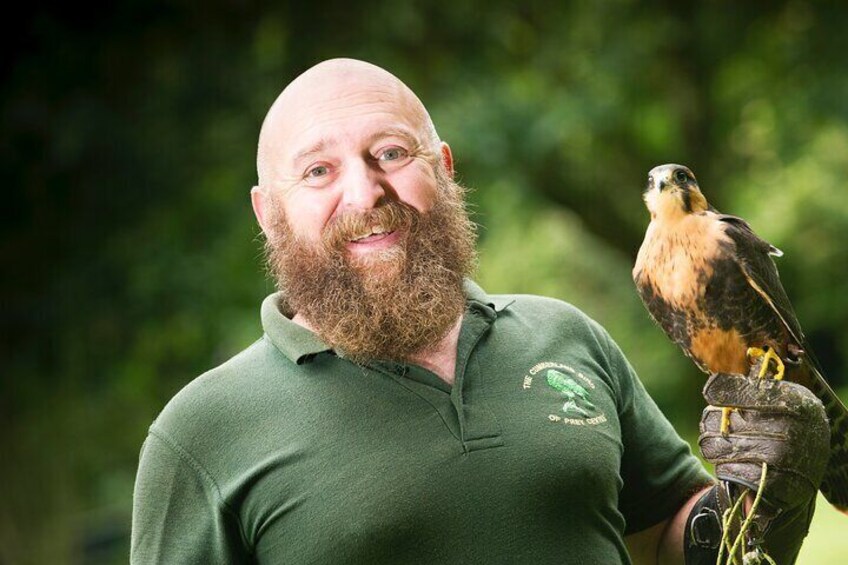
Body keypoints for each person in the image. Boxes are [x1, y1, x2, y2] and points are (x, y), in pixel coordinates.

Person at [130, 58, 830, 564]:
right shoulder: (199, 435)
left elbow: (663, 539)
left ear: (442, 167)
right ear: (268, 209)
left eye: (391, 152)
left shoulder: (566, 336)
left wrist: (759, 504)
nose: (367, 190)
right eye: (318, 170)